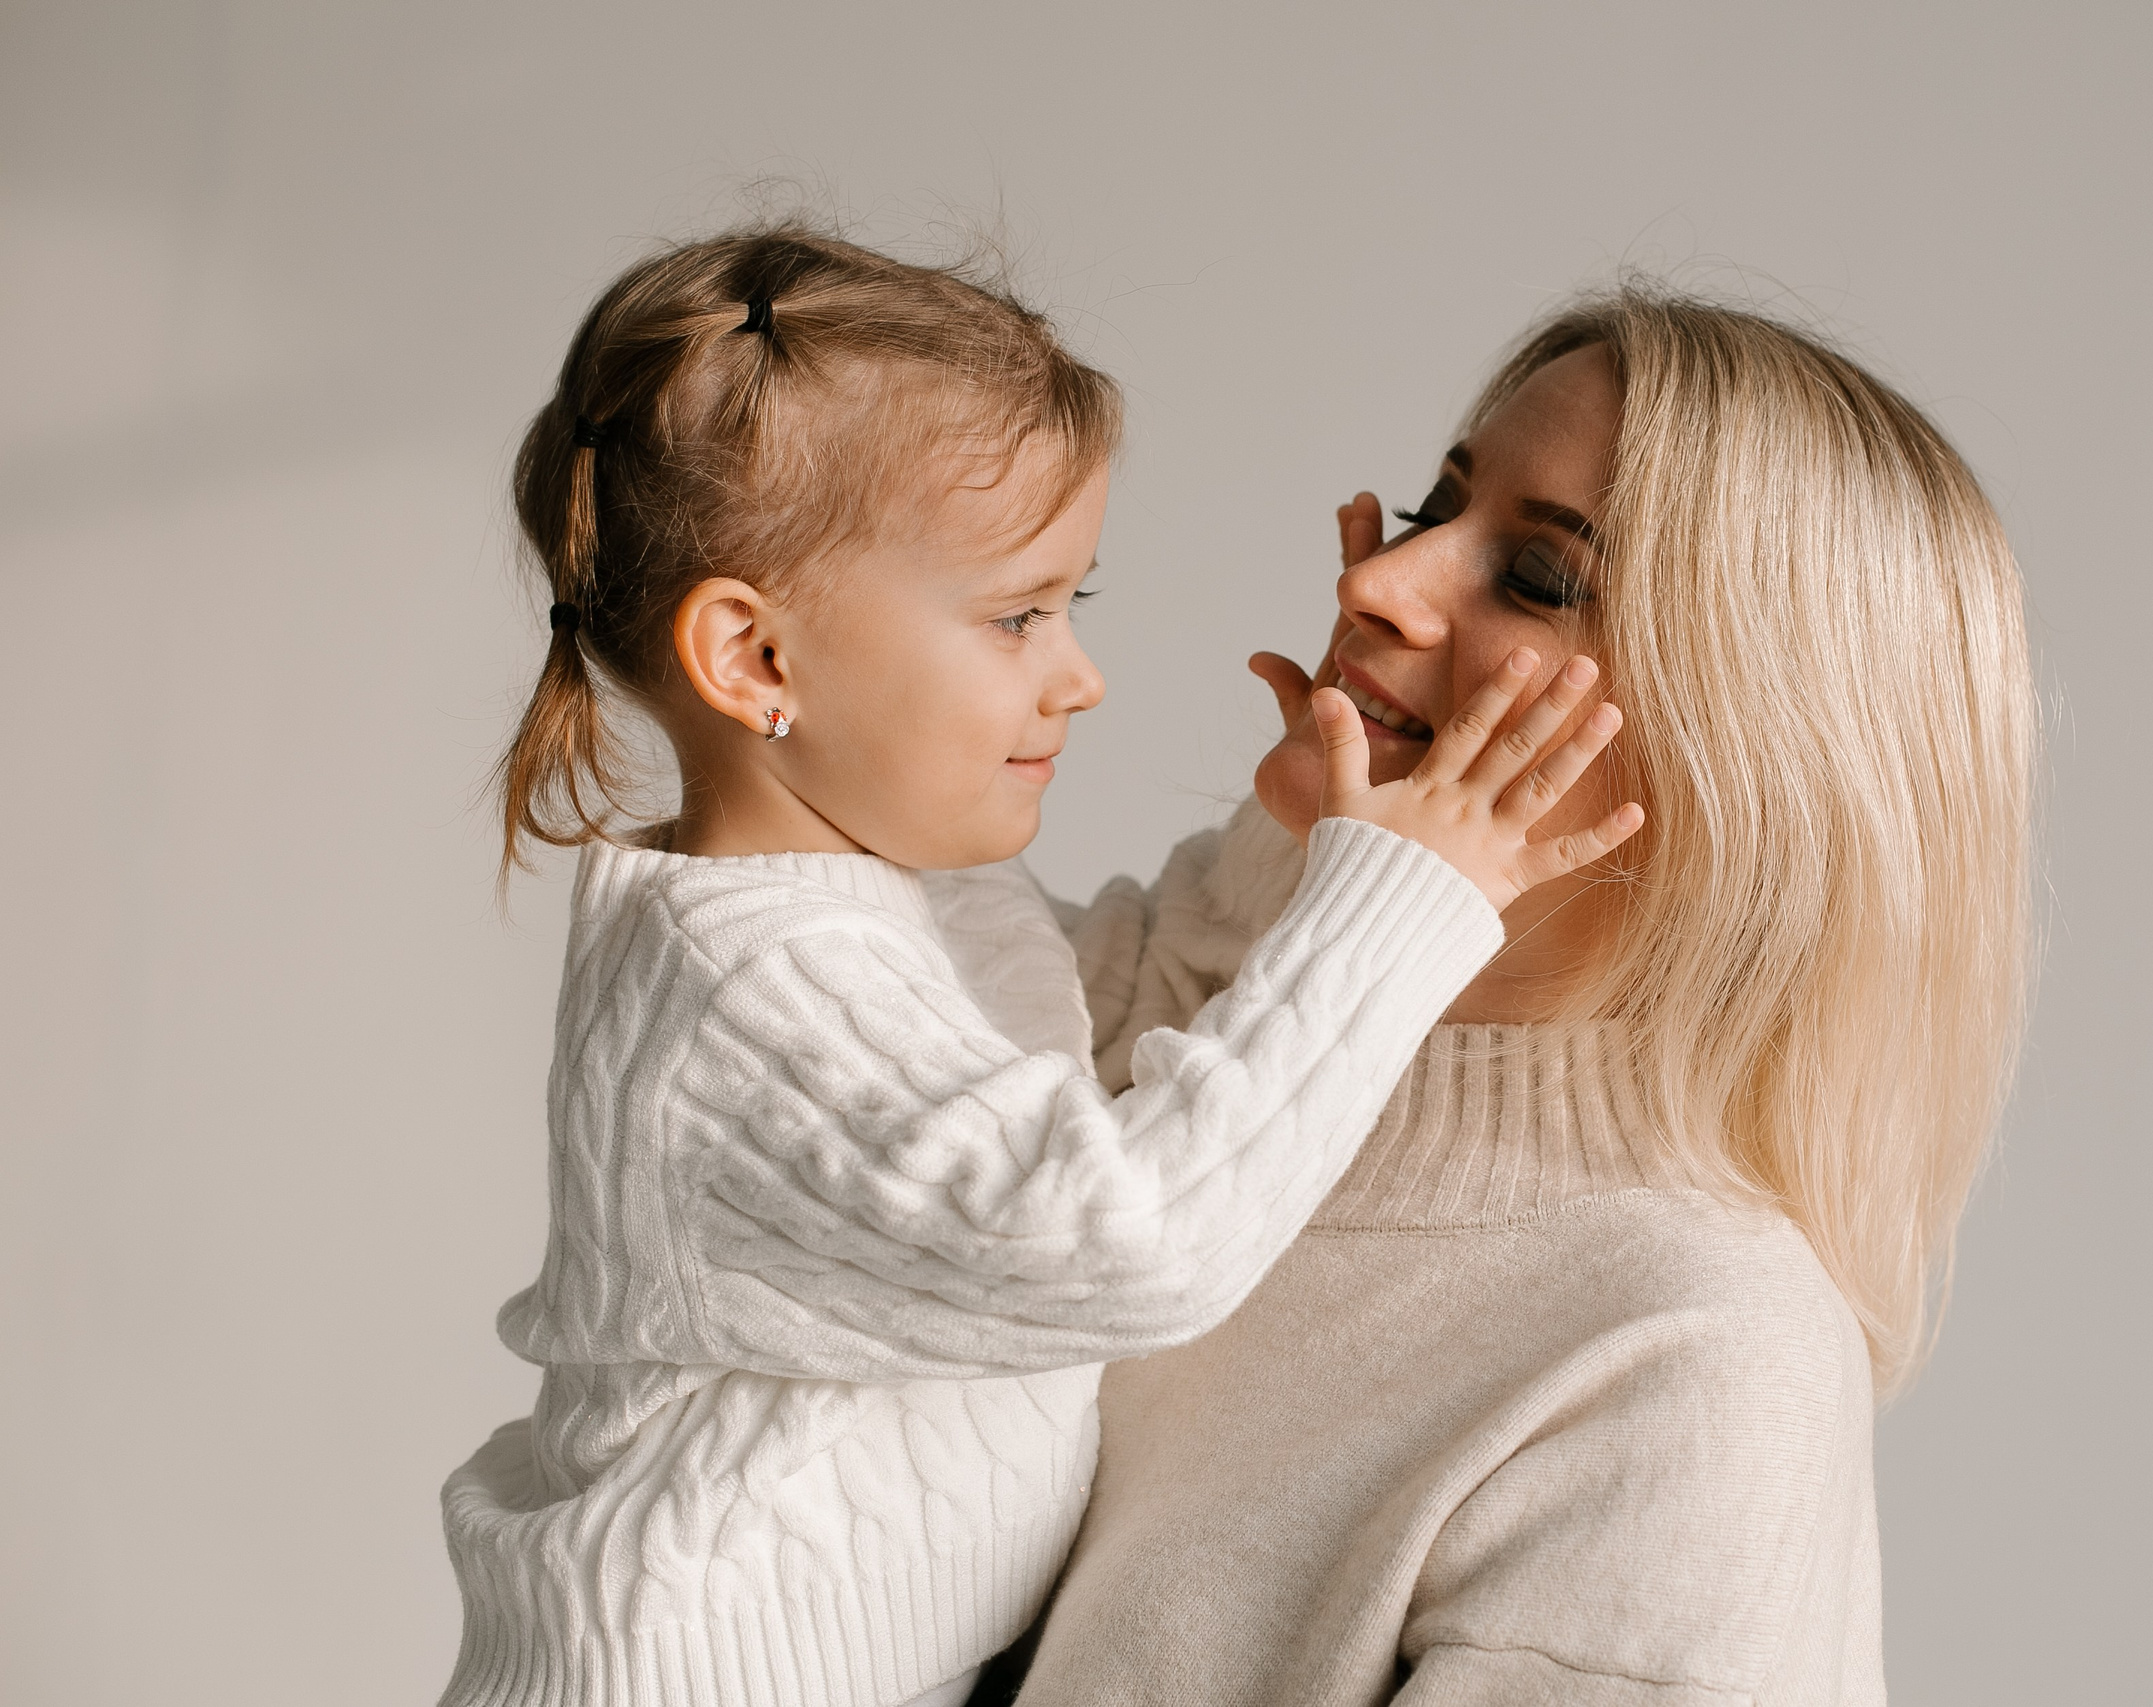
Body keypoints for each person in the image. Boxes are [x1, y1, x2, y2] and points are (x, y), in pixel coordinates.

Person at [434, 225, 1642, 1707]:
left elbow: (1147, 985)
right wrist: (1402, 896)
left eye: (1078, 605)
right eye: (1017, 615)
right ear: (755, 662)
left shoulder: (910, 899)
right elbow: (1132, 1237)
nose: (1078, 675)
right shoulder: (749, 997)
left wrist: (1347, 792)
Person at [1009, 288, 2038, 1705]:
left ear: (1744, 750)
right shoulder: (1182, 989)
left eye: (1540, 579)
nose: (1380, 583)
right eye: (1439, 502)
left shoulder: (1688, 1358)